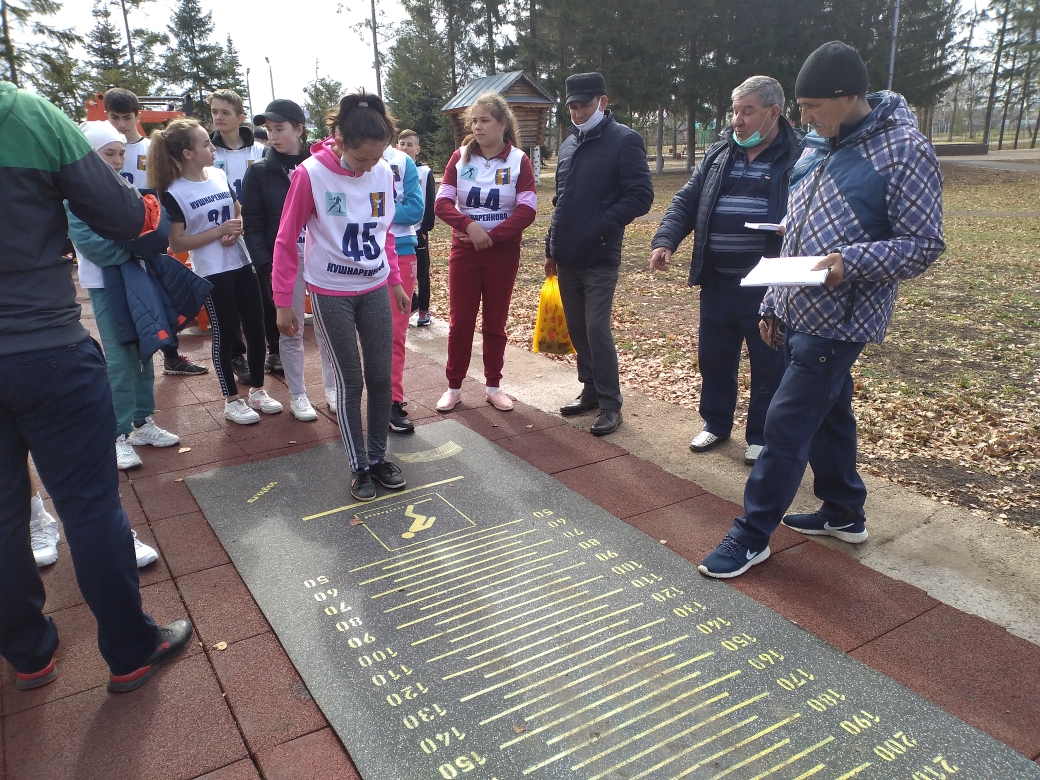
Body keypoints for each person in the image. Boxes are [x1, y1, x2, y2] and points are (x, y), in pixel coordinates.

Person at [697, 41, 945, 579]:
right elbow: (796, 231)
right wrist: (773, 301)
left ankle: (751, 535)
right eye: (802, 107)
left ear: (847, 96)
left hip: (843, 317)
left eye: (812, 106)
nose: (804, 118)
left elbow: (925, 244)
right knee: (830, 412)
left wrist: (850, 263)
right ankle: (844, 510)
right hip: (796, 306)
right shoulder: (817, 143)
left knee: (787, 422)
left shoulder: (905, 150)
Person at [0, 81, 192, 693]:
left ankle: (27, 653)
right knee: (89, 505)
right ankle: (130, 650)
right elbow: (130, 218)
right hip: (43, 344)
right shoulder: (25, 113)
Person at [650, 76, 801, 463]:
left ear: (773, 113)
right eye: (735, 111)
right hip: (718, 280)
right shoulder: (720, 154)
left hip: (767, 286)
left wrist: (796, 227)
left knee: (769, 363)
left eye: (748, 111)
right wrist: (666, 240)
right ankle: (715, 423)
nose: (738, 120)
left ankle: (761, 435)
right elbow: (687, 200)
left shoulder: (797, 157)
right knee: (714, 358)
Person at [272, 91, 411, 502]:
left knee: (381, 377)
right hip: (331, 291)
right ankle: (358, 465)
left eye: (376, 157)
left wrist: (395, 281)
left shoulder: (382, 172)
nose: (368, 167)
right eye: (361, 159)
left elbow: (384, 231)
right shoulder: (310, 173)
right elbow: (285, 239)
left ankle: (378, 456)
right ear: (339, 140)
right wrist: (283, 300)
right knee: (352, 380)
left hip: (375, 286)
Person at [149, 118, 283, 425]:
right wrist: (218, 232)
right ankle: (231, 400)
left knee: (257, 328)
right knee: (225, 332)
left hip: (241, 262)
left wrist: (236, 229)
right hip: (211, 271)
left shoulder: (218, 175)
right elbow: (176, 242)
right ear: (188, 153)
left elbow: (238, 212)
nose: (212, 147)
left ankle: (258, 390)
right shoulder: (173, 191)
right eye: (206, 144)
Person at [545, 72, 654, 436]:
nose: (578, 113)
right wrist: (550, 247)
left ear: (602, 102)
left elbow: (641, 195)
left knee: (595, 327)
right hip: (567, 255)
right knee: (577, 327)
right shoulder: (568, 145)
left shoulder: (624, 140)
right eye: (572, 107)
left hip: (601, 255)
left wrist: (602, 223)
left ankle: (610, 403)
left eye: (585, 105)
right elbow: (560, 201)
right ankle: (590, 390)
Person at [433, 92, 537, 412]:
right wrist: (469, 226)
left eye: (485, 120)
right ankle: (454, 387)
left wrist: (491, 236)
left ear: (502, 124)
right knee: (460, 322)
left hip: (502, 253)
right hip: (465, 252)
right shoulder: (460, 157)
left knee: (495, 321)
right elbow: (442, 203)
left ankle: (493, 386)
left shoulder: (518, 160)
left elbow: (528, 210)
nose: (477, 127)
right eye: (474, 121)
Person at [243, 99, 338, 422]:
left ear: (299, 129)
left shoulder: (323, 164)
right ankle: (298, 395)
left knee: (328, 329)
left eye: (279, 128)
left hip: (323, 256)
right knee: (290, 330)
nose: (273, 136)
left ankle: (333, 389)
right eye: (269, 130)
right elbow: (253, 224)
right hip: (284, 261)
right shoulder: (259, 172)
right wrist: (266, 264)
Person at [104, 87, 208, 377]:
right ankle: (132, 362)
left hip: (150, 232)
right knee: (126, 300)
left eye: (127, 117)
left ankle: (170, 355)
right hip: (116, 235)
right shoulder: (102, 148)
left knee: (162, 294)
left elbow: (167, 188)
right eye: (114, 117)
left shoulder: (151, 149)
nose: (121, 124)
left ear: (138, 116)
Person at [209, 88, 273, 381]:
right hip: (222, 235)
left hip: (254, 231)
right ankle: (236, 355)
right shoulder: (208, 152)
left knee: (263, 294)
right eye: (214, 112)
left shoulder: (259, 151)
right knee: (229, 300)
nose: (218, 117)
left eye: (225, 112)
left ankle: (274, 349)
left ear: (240, 117)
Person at [383, 139, 426, 433]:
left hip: (401, 250)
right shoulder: (337, 158)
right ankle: (341, 395)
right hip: (351, 256)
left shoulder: (401, 160)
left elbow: (415, 211)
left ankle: (392, 400)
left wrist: (372, 211)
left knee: (395, 333)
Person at [397, 129, 436, 326]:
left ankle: (423, 309)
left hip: (418, 230)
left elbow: (429, 201)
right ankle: (411, 302)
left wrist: (425, 228)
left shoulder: (424, 172)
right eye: (402, 144)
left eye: (409, 145)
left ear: (417, 149)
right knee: (400, 270)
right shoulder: (390, 167)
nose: (405, 148)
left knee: (421, 271)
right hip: (398, 231)